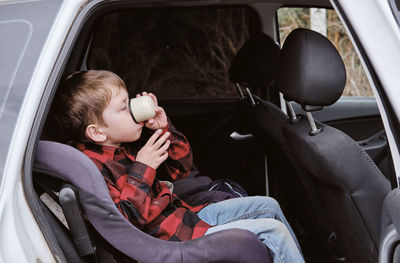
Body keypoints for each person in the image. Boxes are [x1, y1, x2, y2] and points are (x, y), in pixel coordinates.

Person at [53, 70, 304, 263]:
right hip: (170, 240)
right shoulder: (92, 169)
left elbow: (180, 168)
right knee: (273, 231)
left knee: (268, 206)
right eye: (122, 107)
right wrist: (143, 167)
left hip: (183, 217)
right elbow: (124, 223)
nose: (131, 108)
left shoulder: (120, 149)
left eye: (129, 101)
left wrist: (163, 128)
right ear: (96, 133)